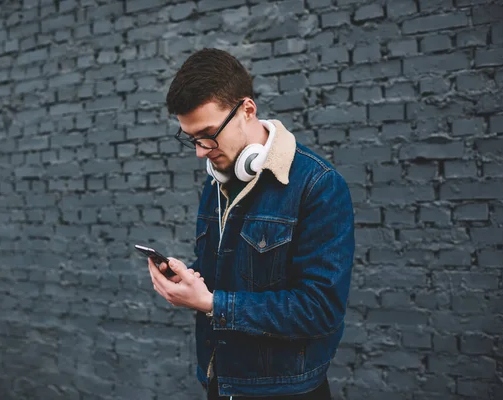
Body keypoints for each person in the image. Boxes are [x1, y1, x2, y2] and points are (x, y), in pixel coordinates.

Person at [147, 48, 355, 399]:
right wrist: (189, 279)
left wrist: (212, 304)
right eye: (192, 138)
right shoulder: (216, 181)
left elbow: (320, 309)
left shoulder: (318, 186)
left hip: (286, 391)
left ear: (247, 110)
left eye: (208, 134)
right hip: (220, 383)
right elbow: (235, 275)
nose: (200, 150)